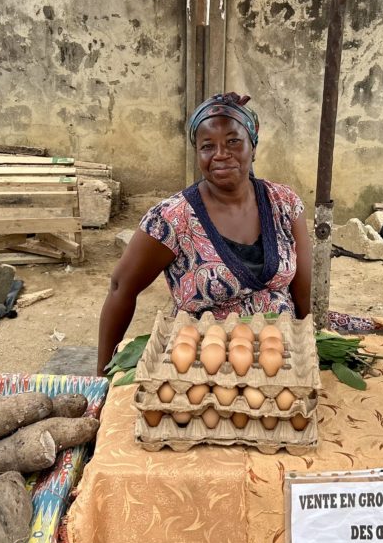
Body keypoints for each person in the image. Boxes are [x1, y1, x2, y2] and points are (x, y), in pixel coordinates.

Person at [96, 93, 311, 375]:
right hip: (201, 369)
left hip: (281, 362)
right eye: (207, 146)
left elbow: (303, 290)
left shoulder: (283, 203)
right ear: (197, 154)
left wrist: (309, 340)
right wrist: (103, 375)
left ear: (253, 146)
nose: (221, 154)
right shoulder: (171, 220)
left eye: (233, 141)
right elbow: (120, 289)